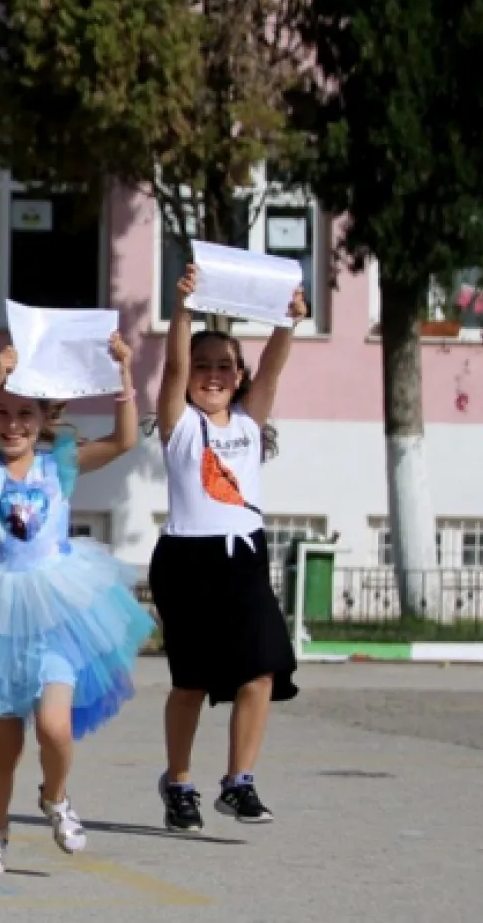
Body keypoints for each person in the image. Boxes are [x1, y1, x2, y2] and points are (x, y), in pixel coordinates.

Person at [0, 339, 154, 875]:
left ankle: (56, 795)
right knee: (4, 744)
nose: (13, 424)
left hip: (56, 611)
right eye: (3, 413)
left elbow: (125, 439)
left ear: (44, 417)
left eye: (25, 413)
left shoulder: (57, 466)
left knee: (55, 729)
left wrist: (125, 371)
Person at [150, 264, 307, 832]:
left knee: (262, 668)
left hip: (244, 557)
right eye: (203, 365)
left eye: (225, 366)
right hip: (187, 561)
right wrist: (183, 307)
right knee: (190, 681)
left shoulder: (248, 419)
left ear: (239, 376)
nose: (213, 375)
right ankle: (180, 783)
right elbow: (171, 366)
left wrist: (289, 320)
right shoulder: (180, 424)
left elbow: (275, 365)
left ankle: (239, 781)